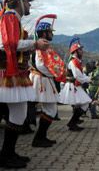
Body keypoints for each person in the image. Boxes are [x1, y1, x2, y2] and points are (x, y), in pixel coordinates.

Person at [0, 0, 49, 169]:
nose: (29, 5)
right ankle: (6, 155)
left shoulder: (12, 18)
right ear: (19, 1)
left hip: (14, 72)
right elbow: (7, 44)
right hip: (6, 72)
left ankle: (8, 153)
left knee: (18, 113)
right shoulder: (10, 17)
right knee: (17, 113)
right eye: (27, 2)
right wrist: (35, 43)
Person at [30, 18, 63, 147]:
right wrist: (55, 74)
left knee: (50, 109)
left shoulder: (43, 45)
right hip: (42, 79)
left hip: (44, 79)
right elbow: (40, 65)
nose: (52, 34)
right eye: (50, 32)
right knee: (50, 109)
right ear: (44, 33)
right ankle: (39, 138)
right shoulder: (41, 46)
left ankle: (41, 137)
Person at [59, 40, 92, 131]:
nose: (82, 51)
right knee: (85, 103)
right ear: (75, 52)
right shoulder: (74, 62)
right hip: (72, 86)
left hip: (74, 86)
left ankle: (73, 122)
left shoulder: (76, 61)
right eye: (80, 50)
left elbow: (80, 75)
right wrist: (88, 79)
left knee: (83, 104)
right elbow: (78, 76)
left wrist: (87, 78)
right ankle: (73, 123)